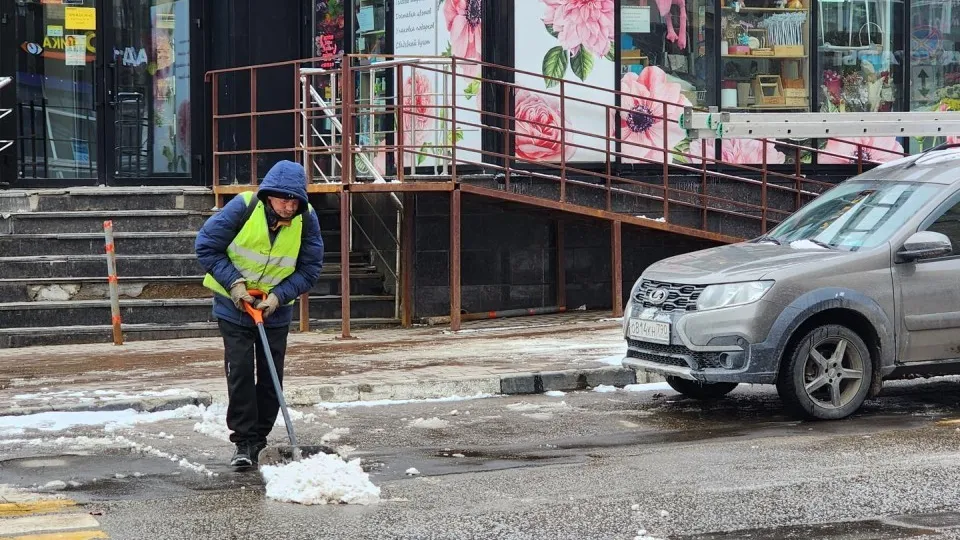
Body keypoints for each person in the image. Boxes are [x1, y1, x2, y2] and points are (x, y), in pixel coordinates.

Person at [195, 160, 324, 467]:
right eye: (283, 198)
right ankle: (242, 442)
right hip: (234, 306)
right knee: (239, 371)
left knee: (270, 378)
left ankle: (260, 441)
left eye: (295, 200)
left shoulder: (307, 219)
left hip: (274, 311)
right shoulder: (243, 206)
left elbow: (310, 268)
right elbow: (206, 246)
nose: (289, 206)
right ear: (269, 194)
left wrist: (279, 296)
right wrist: (235, 284)